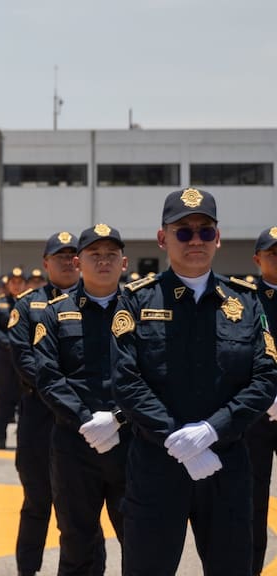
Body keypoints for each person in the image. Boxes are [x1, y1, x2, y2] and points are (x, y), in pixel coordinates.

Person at [111, 188, 277, 576]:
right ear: (162, 238)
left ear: (218, 238)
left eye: (205, 231)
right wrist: (179, 441)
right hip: (156, 465)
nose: (195, 240)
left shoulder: (246, 301)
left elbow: (265, 377)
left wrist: (211, 431)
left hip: (226, 464)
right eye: (183, 232)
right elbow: (126, 381)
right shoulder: (136, 300)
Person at [34, 224, 130, 576]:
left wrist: (118, 418)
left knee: (141, 541)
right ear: (79, 262)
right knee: (77, 543)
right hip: (75, 446)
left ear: (123, 263)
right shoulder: (54, 313)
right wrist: (86, 421)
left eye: (111, 255)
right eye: (94, 254)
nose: (103, 261)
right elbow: (48, 377)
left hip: (132, 444)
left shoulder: (141, 311)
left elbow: (156, 374)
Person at [9, 231, 105, 576]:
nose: (66, 262)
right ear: (45, 263)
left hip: (84, 421)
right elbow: (24, 359)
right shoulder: (27, 305)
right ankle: (28, 569)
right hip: (41, 417)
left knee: (86, 506)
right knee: (37, 502)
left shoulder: (98, 301)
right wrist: (63, 391)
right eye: (58, 256)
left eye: (70, 255)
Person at [247, 226, 277, 575]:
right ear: (258, 259)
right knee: (252, 502)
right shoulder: (245, 299)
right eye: (272, 254)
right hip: (255, 415)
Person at [0, 267, 25, 449]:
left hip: (23, 360)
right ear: (7, 284)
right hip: (3, 361)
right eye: (13, 282)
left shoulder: (29, 302)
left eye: (19, 282)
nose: (16, 285)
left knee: (25, 401)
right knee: (1, 400)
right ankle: (0, 438)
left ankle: (24, 439)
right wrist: (10, 343)